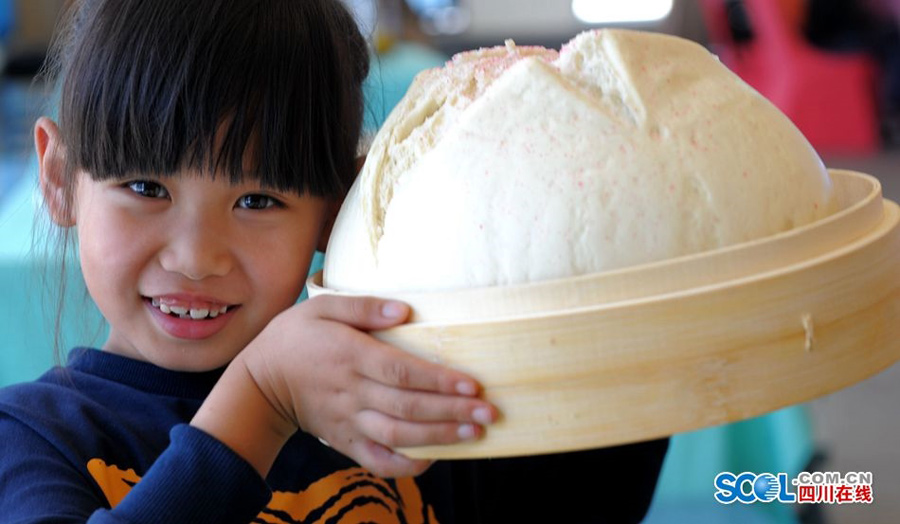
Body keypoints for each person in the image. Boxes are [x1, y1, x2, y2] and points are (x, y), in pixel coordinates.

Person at [0, 0, 668, 522]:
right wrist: (262, 399)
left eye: (258, 199)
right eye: (147, 189)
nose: (196, 258)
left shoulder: (387, 400)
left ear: (336, 210)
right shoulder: (30, 438)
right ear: (59, 178)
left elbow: (582, 496)